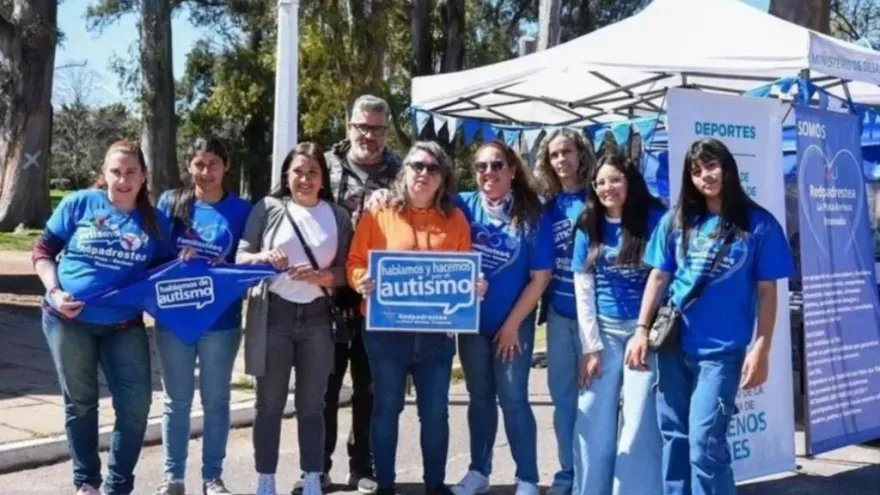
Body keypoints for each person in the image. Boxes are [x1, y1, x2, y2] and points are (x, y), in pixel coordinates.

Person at [628, 138, 794, 495]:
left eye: (712, 166)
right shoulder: (677, 220)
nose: (706, 175)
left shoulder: (759, 224)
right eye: (697, 170)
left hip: (721, 354)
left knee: (705, 445)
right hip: (672, 347)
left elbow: (768, 292)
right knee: (675, 439)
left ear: (728, 168)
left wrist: (761, 347)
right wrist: (641, 329)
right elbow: (659, 277)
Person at [32, 140, 171, 495]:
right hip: (67, 321)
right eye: (115, 171)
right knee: (80, 403)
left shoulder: (156, 223)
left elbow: (166, 271)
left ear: (143, 177)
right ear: (104, 173)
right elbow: (43, 250)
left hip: (124, 326)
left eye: (131, 172)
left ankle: (118, 486)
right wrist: (54, 290)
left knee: (137, 405)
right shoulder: (79, 203)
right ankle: (87, 483)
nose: (122, 180)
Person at [347, 141, 486, 495]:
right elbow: (355, 262)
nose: (423, 173)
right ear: (404, 171)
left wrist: (474, 286)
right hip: (385, 333)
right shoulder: (377, 214)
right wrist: (360, 280)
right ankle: (386, 485)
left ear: (443, 178)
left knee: (435, 413)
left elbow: (464, 270)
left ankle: (435, 485)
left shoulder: (454, 219)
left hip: (436, 336)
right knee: (386, 408)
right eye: (416, 166)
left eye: (432, 168)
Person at [237, 142, 354, 495]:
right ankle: (266, 479)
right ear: (286, 175)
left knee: (312, 405)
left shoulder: (337, 216)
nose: (304, 179)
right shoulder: (268, 208)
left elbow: (348, 271)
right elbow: (240, 257)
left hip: (318, 319)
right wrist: (261, 257)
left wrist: (323, 277)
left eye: (312, 172)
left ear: (323, 178)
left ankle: (313, 476)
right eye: (298, 171)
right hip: (274, 314)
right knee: (268, 403)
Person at [151, 137, 252, 495]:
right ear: (189, 166)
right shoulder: (170, 202)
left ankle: (213, 477)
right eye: (198, 164)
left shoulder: (242, 210)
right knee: (176, 400)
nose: (205, 171)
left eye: (212, 163)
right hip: (175, 318)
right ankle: (173, 477)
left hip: (221, 322)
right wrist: (178, 262)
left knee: (216, 400)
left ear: (225, 166)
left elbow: (248, 261)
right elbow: (154, 257)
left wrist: (227, 268)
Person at [310, 94, 401, 495]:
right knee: (324, 387)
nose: (369, 135)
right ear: (349, 126)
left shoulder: (402, 170)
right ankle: (318, 467)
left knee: (369, 387)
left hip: (378, 296)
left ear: (387, 130)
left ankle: (361, 465)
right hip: (328, 291)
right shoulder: (324, 165)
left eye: (377, 128)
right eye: (362, 126)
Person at [452, 141, 553, 495]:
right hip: (470, 323)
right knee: (479, 398)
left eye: (497, 165)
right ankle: (479, 472)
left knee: (513, 398)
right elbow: (415, 199)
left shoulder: (532, 212)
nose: (489, 173)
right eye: (481, 166)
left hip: (515, 323)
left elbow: (541, 278)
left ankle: (527, 477)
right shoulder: (461, 204)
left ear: (512, 170)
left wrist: (512, 326)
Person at [570, 154, 666, 495]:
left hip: (645, 334)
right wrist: (591, 346)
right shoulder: (587, 224)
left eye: (615, 180)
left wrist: (644, 330)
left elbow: (664, 276)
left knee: (638, 421)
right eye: (600, 182)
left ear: (630, 182)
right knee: (591, 414)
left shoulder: (656, 219)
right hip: (605, 333)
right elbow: (583, 288)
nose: (607, 188)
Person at [533, 129, 594, 495]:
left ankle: (595, 469)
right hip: (557, 313)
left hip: (594, 317)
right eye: (554, 155)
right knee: (563, 399)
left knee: (596, 400)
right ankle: (567, 470)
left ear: (580, 154)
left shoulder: (598, 198)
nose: (561, 160)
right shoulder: (546, 206)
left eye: (567, 152)